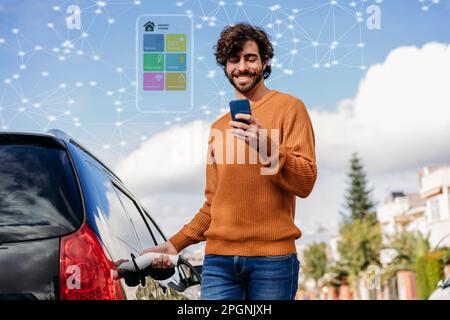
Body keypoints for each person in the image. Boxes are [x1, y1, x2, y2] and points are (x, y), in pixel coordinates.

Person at [141, 23, 317, 300]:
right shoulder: (218, 128)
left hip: (272, 261)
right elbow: (213, 203)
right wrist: (174, 245)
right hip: (219, 262)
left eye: (250, 58)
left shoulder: (290, 109)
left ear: (265, 61)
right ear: (225, 66)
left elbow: (305, 182)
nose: (242, 67)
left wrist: (266, 147)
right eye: (233, 60)